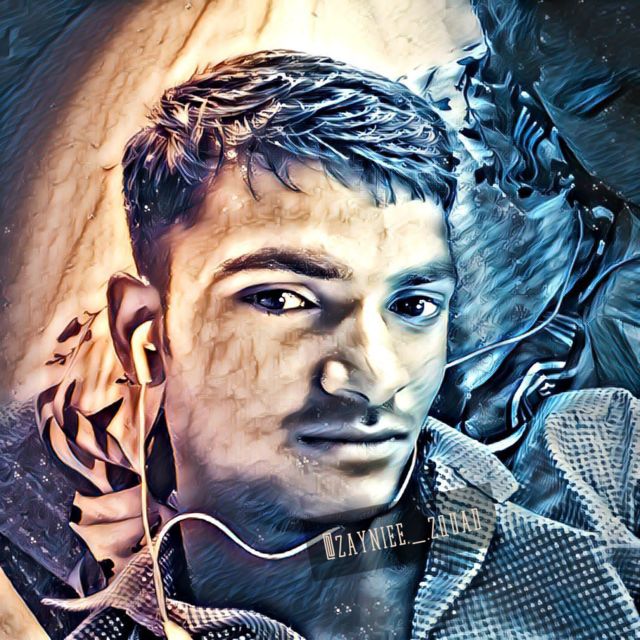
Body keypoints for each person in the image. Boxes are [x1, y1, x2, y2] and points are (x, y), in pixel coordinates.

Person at [2, 50, 639, 639]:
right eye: (281, 299)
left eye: (413, 306)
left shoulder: (597, 461)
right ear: (145, 336)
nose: (377, 376)